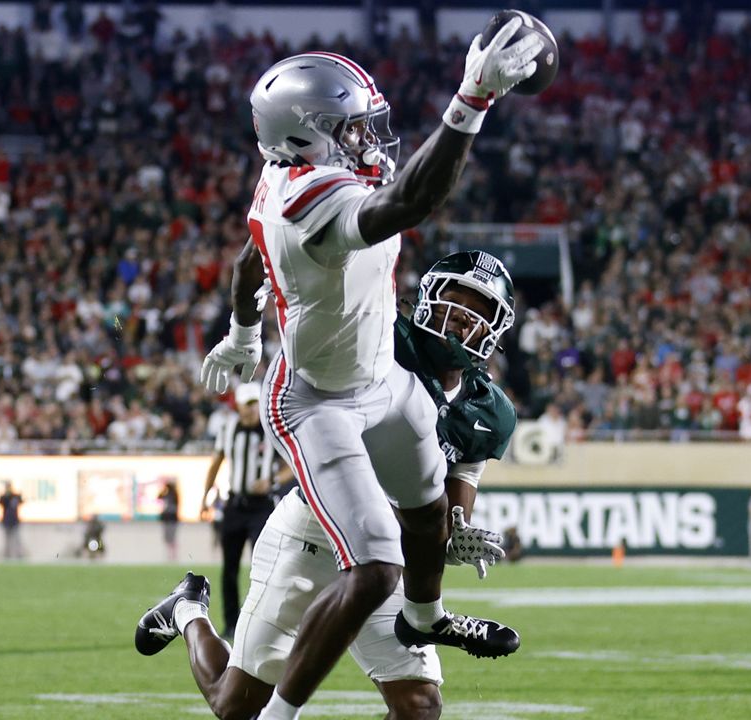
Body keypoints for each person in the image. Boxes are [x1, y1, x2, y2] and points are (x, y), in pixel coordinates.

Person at [193, 26, 538, 719]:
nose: (365, 140)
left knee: (419, 517)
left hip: (379, 384)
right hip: (319, 402)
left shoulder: (284, 178)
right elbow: (408, 204)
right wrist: (471, 101)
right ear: (306, 138)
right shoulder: (305, 200)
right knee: (371, 573)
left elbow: (248, 257)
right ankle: (213, 643)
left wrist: (240, 333)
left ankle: (429, 612)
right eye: (350, 129)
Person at [135, 251, 518, 720]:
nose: (460, 320)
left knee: (419, 704)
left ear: (496, 329)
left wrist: (453, 530)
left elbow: (460, 479)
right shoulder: (378, 339)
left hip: (385, 556)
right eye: (453, 303)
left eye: (477, 312)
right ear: (425, 300)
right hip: (312, 531)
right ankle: (187, 611)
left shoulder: (489, 411)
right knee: (236, 706)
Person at [203, 381, 291, 638]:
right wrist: (205, 495)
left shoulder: (271, 428)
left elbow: (291, 465)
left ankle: (261, 623)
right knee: (229, 568)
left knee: (262, 566)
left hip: (261, 507)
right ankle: (231, 623)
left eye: (255, 403)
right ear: (239, 406)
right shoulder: (228, 428)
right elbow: (216, 462)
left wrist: (273, 481)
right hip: (234, 504)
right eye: (248, 404)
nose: (252, 409)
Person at [0, 482, 25, 559]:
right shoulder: (4, 497)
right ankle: (7, 555)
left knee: (17, 539)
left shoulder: (15, 496)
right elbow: (0, 502)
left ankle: (19, 555)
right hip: (6, 521)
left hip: (15, 521)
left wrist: (19, 495)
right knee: (7, 540)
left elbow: (22, 501)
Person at [158, 480, 180, 561]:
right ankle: (169, 555)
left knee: (172, 537)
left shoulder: (174, 495)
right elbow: (159, 496)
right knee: (167, 538)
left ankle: (173, 555)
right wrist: (164, 491)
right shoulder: (166, 495)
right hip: (167, 519)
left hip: (172, 519)